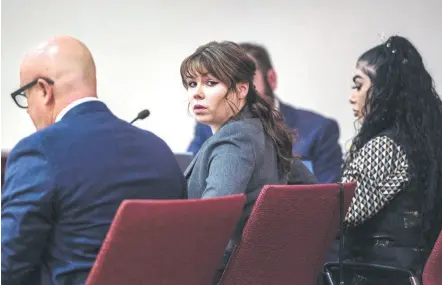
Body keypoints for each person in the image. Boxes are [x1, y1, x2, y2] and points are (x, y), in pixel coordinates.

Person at [1, 36, 187, 285]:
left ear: (44, 90)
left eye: (26, 96)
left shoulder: (39, 151)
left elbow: (8, 265)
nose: (28, 110)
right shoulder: (158, 149)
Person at [181, 41, 315, 282]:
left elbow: (210, 221)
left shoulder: (236, 140)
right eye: (192, 84)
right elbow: (316, 192)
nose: (197, 93)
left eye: (211, 83)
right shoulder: (260, 129)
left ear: (242, 89)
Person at [326, 35, 442, 285]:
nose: (351, 97)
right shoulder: (427, 144)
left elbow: (336, 215)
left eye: (358, 86)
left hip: (378, 276)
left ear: (383, 91)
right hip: (413, 273)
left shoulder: (385, 147)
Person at [187, 43, 343, 183]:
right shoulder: (207, 126)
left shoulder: (319, 129)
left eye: (245, 81)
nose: (238, 91)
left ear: (272, 79)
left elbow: (328, 200)